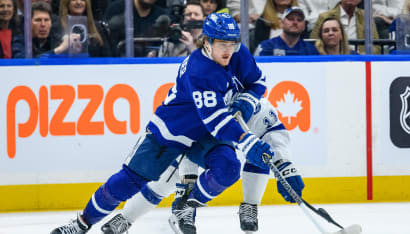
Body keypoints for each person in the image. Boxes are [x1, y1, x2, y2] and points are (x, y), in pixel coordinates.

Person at [50, 12, 274, 234]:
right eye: (222, 44)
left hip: (206, 134)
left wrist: (245, 101)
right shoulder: (199, 70)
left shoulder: (238, 53)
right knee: (127, 182)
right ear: (207, 42)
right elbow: (218, 122)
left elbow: (258, 81)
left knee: (229, 168)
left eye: (232, 44)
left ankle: (186, 204)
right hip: (173, 131)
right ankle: (81, 223)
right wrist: (247, 141)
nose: (228, 50)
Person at [99, 97, 305, 234]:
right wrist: (185, 186)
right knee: (165, 182)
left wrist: (284, 166)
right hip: (200, 139)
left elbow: (275, 136)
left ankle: (250, 205)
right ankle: (126, 218)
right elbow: (188, 151)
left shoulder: (258, 108)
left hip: (229, 138)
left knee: (259, 155)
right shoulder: (203, 103)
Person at [310, 0, 380, 54]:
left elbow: (375, 45)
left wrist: (360, 58)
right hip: (331, 60)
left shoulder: (366, 16)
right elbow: (314, 43)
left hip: (359, 62)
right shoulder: (325, 16)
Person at [254, 6, 319, 56]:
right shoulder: (266, 47)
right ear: (281, 23)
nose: (295, 22)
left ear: (304, 26)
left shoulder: (311, 50)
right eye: (290, 19)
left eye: (299, 19)